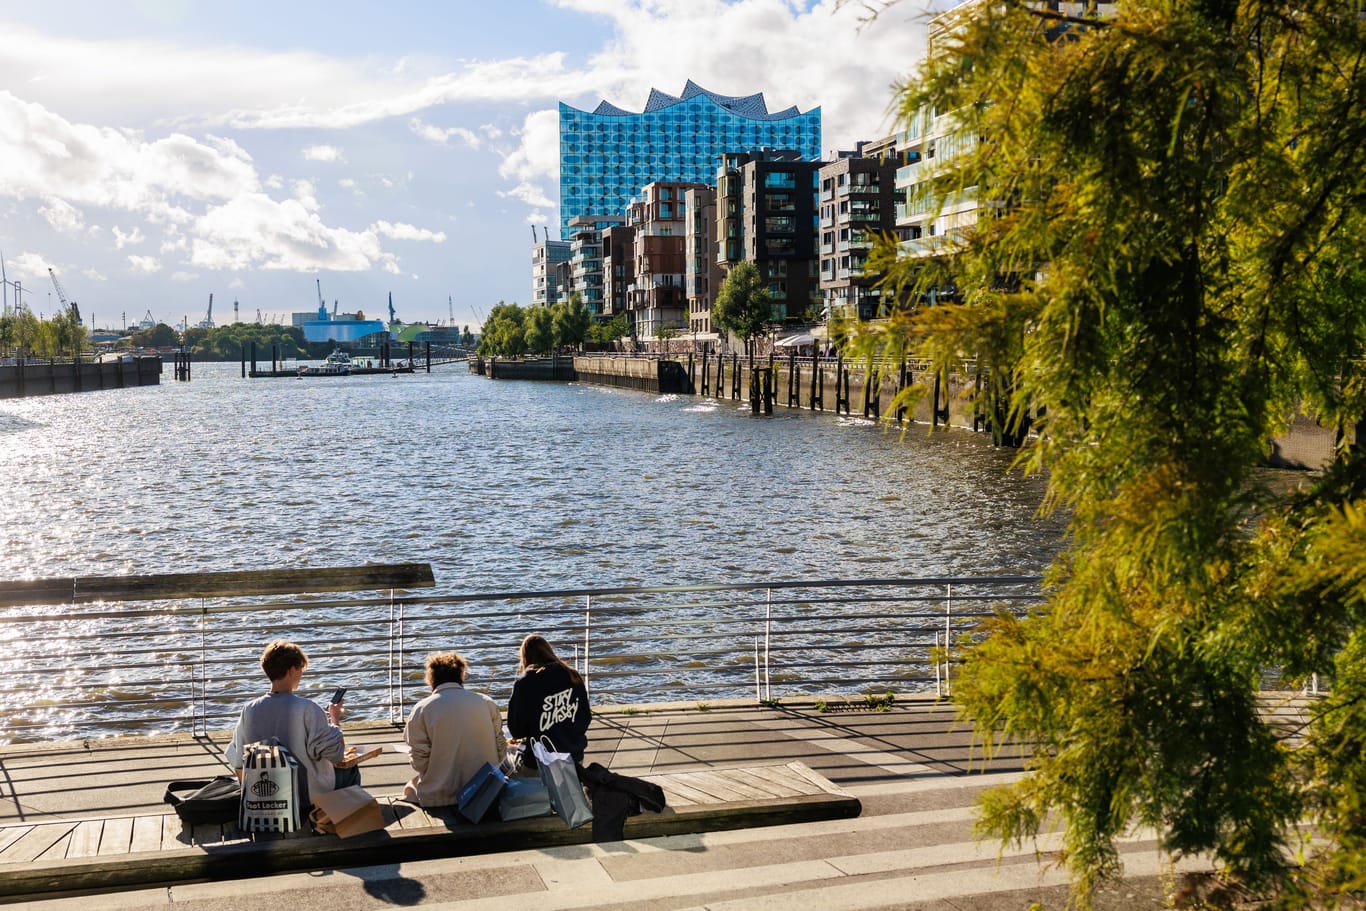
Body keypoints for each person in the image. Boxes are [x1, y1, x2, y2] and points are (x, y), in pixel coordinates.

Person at [224, 639, 355, 806]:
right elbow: (335, 755)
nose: (301, 674)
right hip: (305, 801)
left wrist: (250, 795)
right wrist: (334, 719)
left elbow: (237, 760)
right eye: (301, 669)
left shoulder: (249, 710)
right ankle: (343, 817)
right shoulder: (308, 709)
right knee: (350, 770)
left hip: (264, 800)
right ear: (292, 670)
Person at [402, 651, 506, 807]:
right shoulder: (486, 702)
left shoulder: (421, 709)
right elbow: (501, 750)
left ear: (431, 679)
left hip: (440, 795)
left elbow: (419, 763)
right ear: (461, 674)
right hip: (485, 791)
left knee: (409, 790)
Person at [506, 634, 591, 769]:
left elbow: (517, 731)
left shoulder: (525, 683)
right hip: (573, 756)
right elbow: (585, 717)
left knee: (505, 760)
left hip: (539, 761)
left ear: (525, 657)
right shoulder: (572, 675)